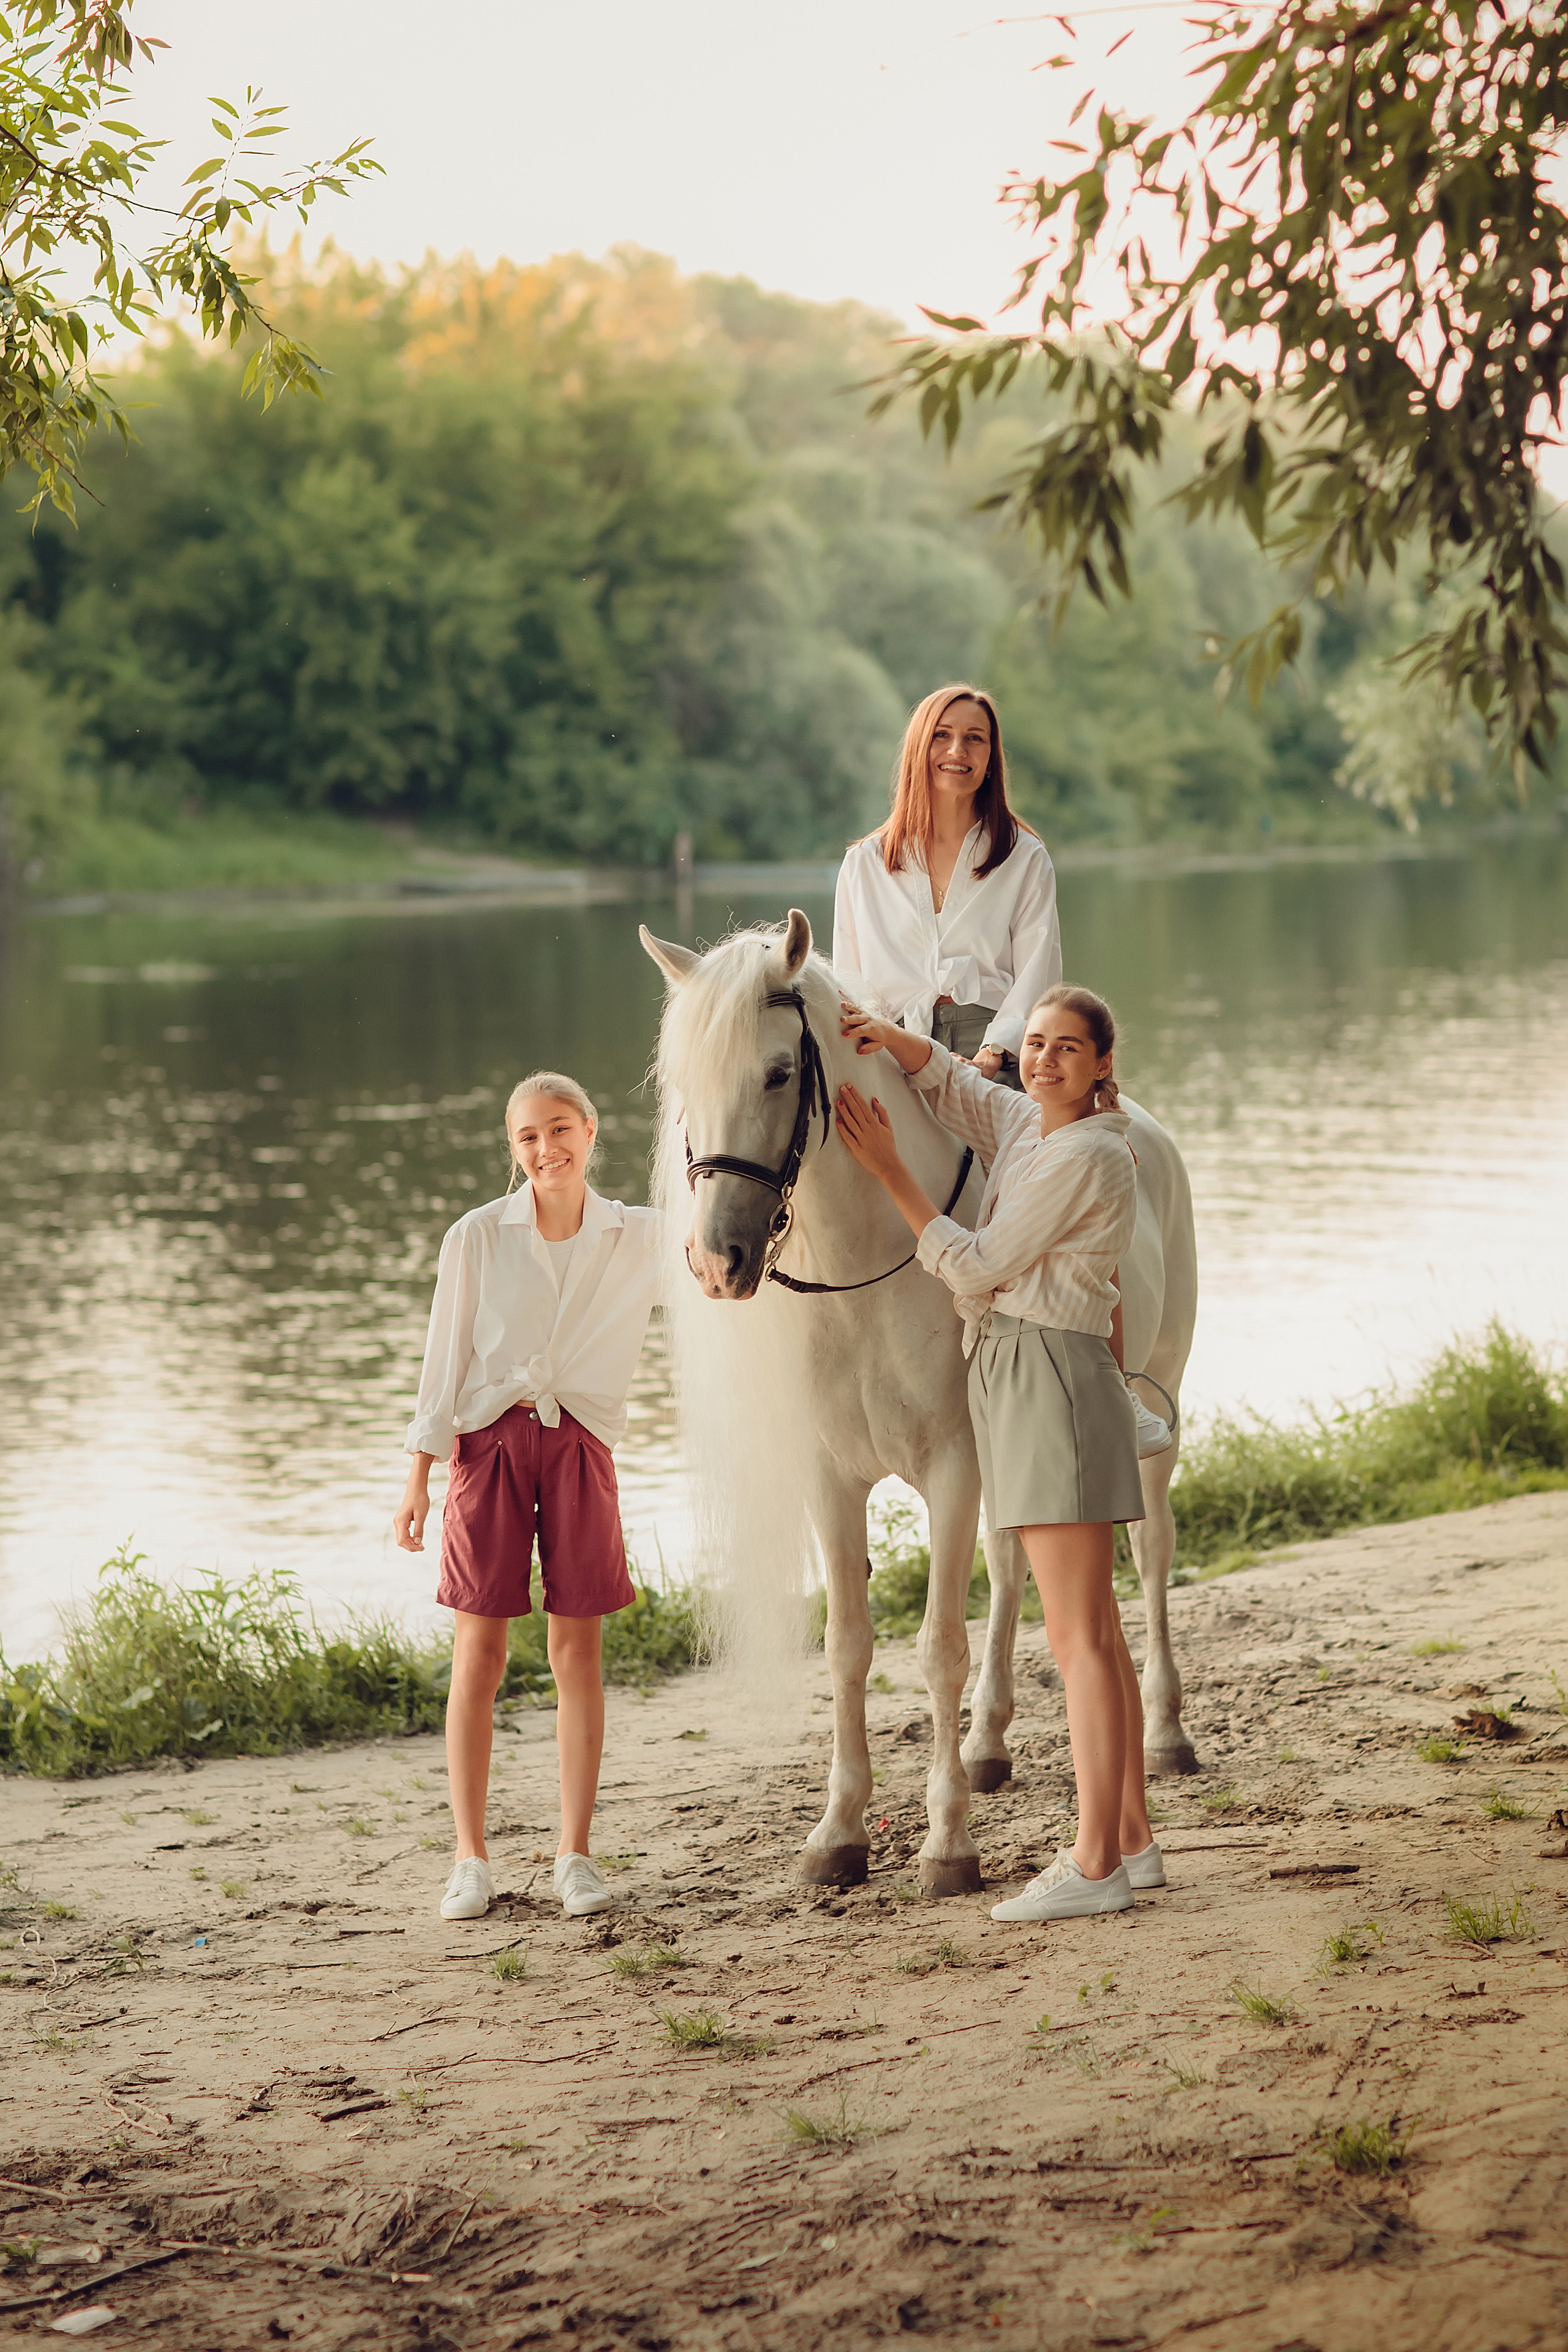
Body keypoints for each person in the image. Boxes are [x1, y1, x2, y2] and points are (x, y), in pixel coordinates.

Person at [833, 985, 1163, 1924]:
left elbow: (978, 1264)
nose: (1044, 1059)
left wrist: (893, 1173)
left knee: (1077, 1639)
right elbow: (955, 1086)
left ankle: (1094, 1862)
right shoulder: (1031, 1128)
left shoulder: (1089, 1155)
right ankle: (1131, 1842)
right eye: (1037, 1044)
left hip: (1047, 1375)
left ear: (1103, 1065)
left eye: (1068, 1048)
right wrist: (886, 1036)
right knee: (1096, 1628)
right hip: (1033, 1372)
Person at [393, 1072, 660, 1924]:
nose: (547, 1150)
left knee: (578, 1654)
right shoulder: (477, 1236)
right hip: (491, 1449)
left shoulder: (642, 1236)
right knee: (480, 1654)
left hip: (581, 1447)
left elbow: (729, 1254)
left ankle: (574, 1856)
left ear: (591, 1129)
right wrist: (418, 1477)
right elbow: (442, 1362)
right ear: (513, 1148)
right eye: (528, 1137)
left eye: (559, 1129)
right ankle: (469, 1860)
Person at [832, 684, 1060, 1091]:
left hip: (997, 1050)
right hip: (890, 1051)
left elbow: (1038, 972)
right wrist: (884, 1048)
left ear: (990, 760)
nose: (958, 750)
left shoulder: (1024, 857)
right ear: (919, 749)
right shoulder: (863, 864)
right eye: (942, 735)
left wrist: (993, 1054)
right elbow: (849, 983)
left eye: (975, 738)